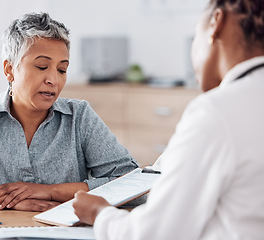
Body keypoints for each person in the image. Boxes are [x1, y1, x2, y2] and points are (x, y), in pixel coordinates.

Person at [73, 0, 264, 239]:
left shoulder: (217, 111)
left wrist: (99, 213)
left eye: (197, 33)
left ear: (216, 22)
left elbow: (155, 234)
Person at [0, 12, 138, 212]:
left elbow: (136, 186)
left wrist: (49, 191)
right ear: (9, 69)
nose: (53, 80)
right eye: (42, 67)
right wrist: (12, 201)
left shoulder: (79, 116)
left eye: (62, 69)